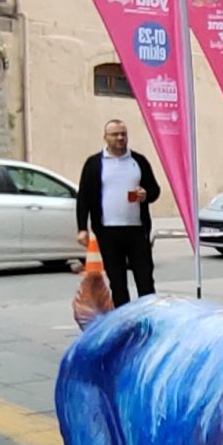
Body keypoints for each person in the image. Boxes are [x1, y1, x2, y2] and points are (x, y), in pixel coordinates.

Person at [76, 118, 161, 306]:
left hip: (136, 230)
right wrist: (82, 228)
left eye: (123, 134)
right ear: (105, 137)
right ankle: (124, 317)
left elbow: (154, 189)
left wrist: (146, 195)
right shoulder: (94, 164)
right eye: (115, 134)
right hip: (108, 230)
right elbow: (84, 197)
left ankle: (149, 314)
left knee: (145, 278)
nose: (120, 138)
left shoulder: (138, 161)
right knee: (117, 281)